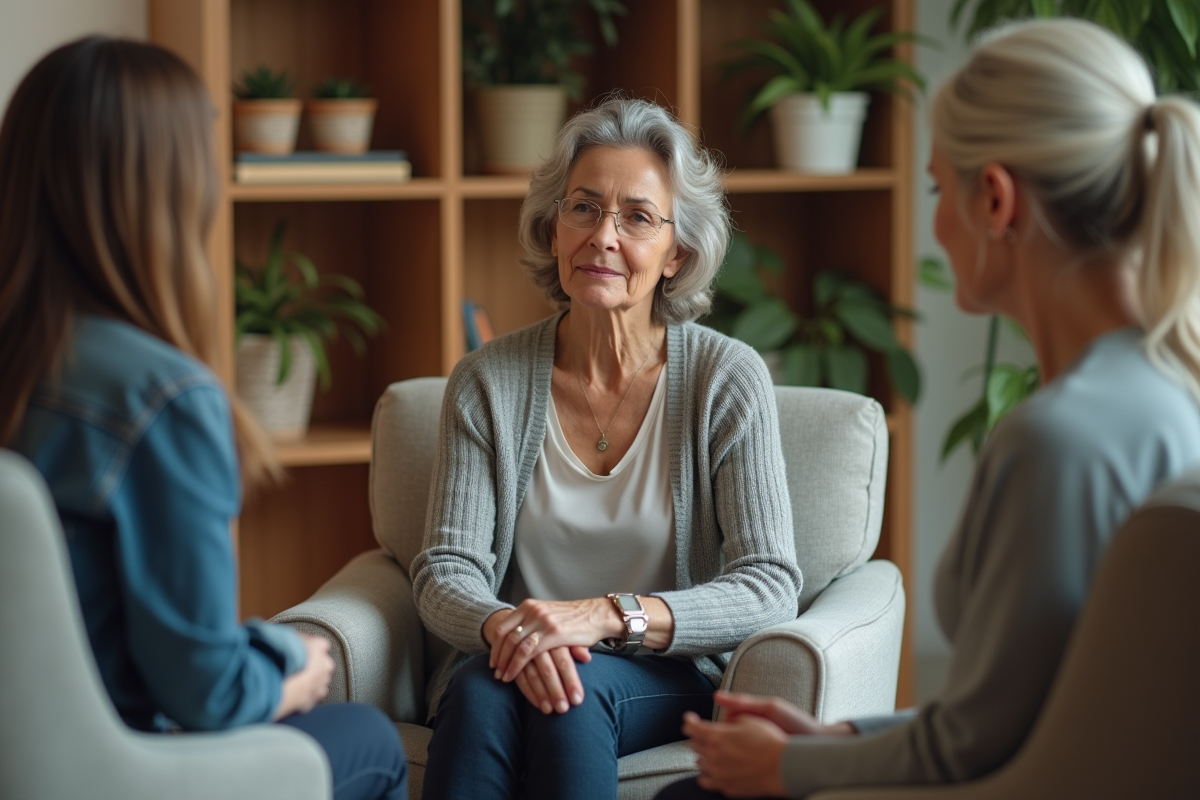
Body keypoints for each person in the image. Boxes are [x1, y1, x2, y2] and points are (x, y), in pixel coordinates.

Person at [654, 17, 1200, 799]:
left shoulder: (1058, 442)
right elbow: (1027, 718)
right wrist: (844, 735)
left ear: (996, 199)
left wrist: (790, 766)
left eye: (940, 188)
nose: (936, 222)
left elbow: (974, 747)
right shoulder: (1172, 391)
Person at [0, 37, 407, 800]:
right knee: (368, 740)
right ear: (167, 192)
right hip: (112, 768)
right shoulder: (159, 397)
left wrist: (259, 650)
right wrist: (292, 673)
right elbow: (204, 694)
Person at [409, 95, 804, 798]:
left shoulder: (725, 378)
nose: (603, 236)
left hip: (662, 672)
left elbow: (769, 585)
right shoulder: (486, 380)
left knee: (571, 691)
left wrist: (605, 616)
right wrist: (514, 629)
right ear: (553, 228)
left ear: (678, 252)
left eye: (637, 217)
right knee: (477, 694)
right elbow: (445, 570)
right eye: (583, 208)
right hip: (503, 659)